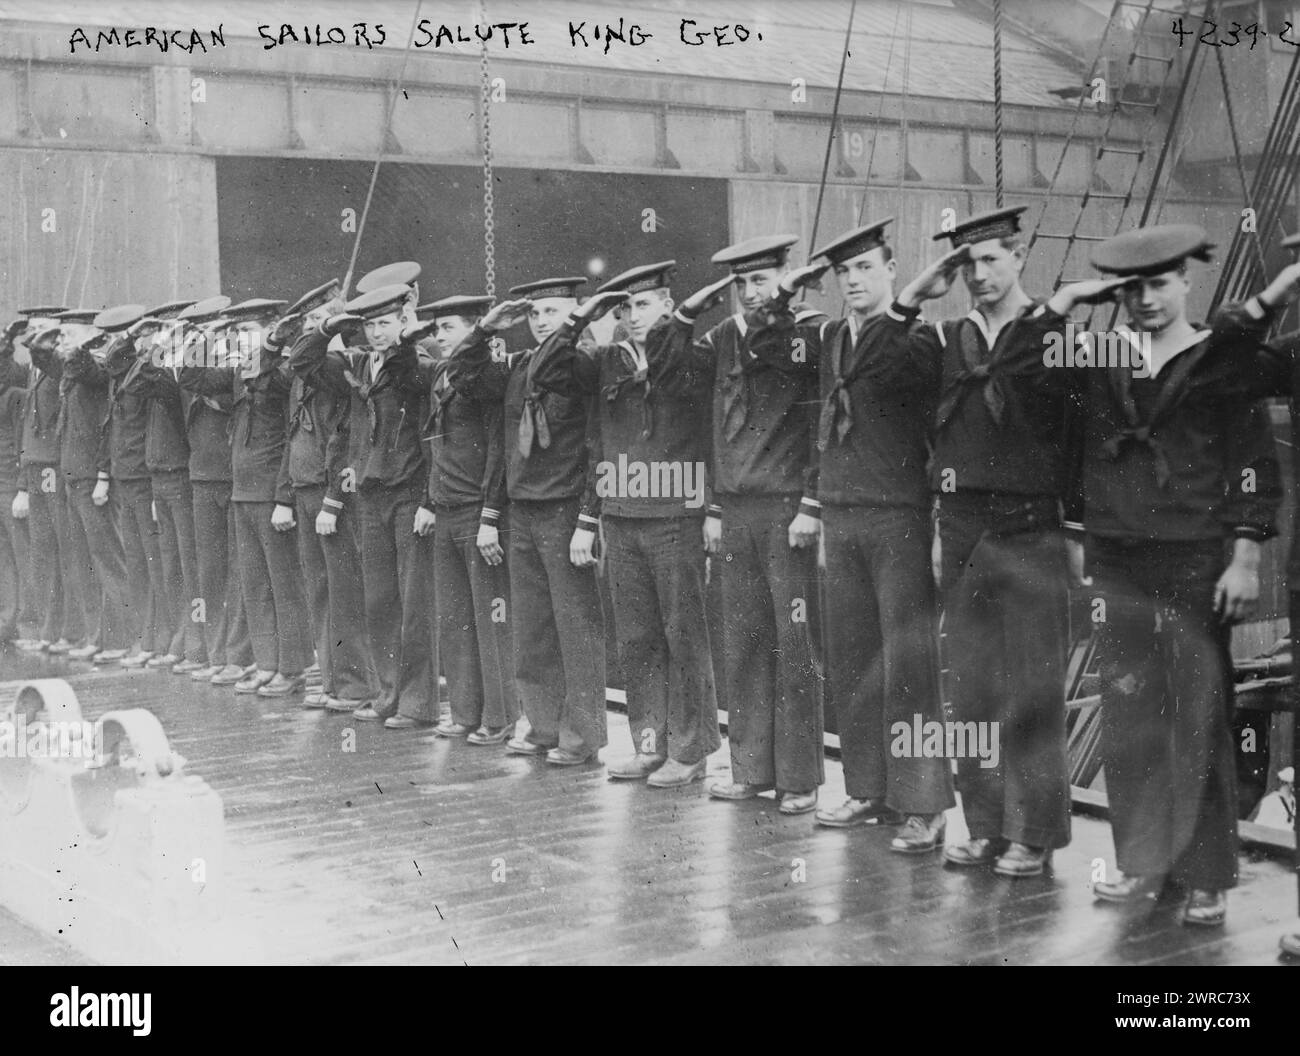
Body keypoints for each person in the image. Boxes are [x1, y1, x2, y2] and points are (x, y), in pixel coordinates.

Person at [887, 206, 1081, 876]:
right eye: (968, 265)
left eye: (992, 260)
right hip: (963, 520)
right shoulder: (944, 341)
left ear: (1019, 256)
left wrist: (1076, 529)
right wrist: (916, 291)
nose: (979, 275)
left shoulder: (1054, 334)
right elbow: (884, 360)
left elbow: (1077, 431)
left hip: (1032, 524)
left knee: (1032, 682)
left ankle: (1036, 833)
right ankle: (985, 823)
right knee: (970, 685)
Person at [792, 219, 957, 850]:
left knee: (909, 663)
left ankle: (922, 804)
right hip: (844, 514)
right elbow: (825, 425)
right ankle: (866, 788)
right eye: (844, 273)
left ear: (892, 269)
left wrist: (908, 303)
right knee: (853, 659)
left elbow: (889, 376)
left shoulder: (918, 338)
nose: (854, 281)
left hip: (899, 517)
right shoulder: (833, 335)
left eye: (866, 269)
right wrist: (816, 497)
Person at [546, 261, 720, 786]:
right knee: (639, 637)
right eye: (625, 308)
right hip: (622, 517)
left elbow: (710, 433)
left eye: (644, 304)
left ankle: (689, 751)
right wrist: (579, 319)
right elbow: (547, 371)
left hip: (675, 515)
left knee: (682, 633)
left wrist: (712, 508)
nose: (633, 316)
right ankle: (650, 744)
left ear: (669, 305)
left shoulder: (693, 357)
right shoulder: (606, 363)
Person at [448, 277, 609, 766]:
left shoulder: (584, 364)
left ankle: (581, 735)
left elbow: (595, 445)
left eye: (552, 312)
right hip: (523, 509)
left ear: (575, 312)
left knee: (576, 627)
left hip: (565, 509)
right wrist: (484, 330)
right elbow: (463, 376)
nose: (541, 321)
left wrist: (587, 518)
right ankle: (541, 724)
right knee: (533, 626)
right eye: (535, 314)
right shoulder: (517, 366)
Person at [329, 281, 439, 728]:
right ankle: (389, 693)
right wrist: (327, 326)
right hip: (372, 494)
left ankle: (417, 703)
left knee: (413, 604)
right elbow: (359, 422)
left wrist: (429, 501)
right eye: (369, 324)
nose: (376, 332)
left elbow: (421, 400)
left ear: (402, 321)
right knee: (379, 601)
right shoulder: (363, 363)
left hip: (410, 492)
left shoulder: (414, 361)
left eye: (384, 323)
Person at [416, 294, 517, 744]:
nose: (439, 335)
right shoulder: (440, 374)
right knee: (455, 618)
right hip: (446, 507)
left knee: (490, 618)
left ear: (475, 331)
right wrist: (430, 501)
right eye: (436, 329)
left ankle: (499, 716)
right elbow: (434, 446)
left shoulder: (488, 380)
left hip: (478, 511)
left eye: (448, 328)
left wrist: (491, 515)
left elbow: (497, 449)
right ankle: (464, 712)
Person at [198, 298, 310, 696]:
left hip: (270, 492)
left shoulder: (283, 371)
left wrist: (284, 497)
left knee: (283, 584)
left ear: (272, 329)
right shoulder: (241, 373)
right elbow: (192, 378)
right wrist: (200, 338)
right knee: (255, 584)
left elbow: (286, 440)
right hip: (243, 492)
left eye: (247, 333)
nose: (239, 341)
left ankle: (292, 666)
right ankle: (267, 662)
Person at [277, 280, 377, 712]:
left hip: (332, 491)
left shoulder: (339, 368)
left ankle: (356, 683)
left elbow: (348, 436)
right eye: (309, 323)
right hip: (305, 487)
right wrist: (287, 492)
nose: (312, 330)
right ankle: (335, 680)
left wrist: (335, 498)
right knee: (320, 591)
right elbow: (293, 435)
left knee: (345, 593)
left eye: (321, 321)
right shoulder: (308, 372)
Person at [101, 302, 186, 669]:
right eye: (147, 333)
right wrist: (132, 335)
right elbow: (115, 364)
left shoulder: (162, 374)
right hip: (128, 479)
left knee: (160, 566)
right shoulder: (132, 369)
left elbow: (144, 379)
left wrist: (155, 345)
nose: (149, 341)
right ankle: (147, 640)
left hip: (148, 479)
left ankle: (167, 640)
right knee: (138, 565)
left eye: (157, 332)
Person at [13, 306, 86, 656]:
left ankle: (68, 631)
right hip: (37, 465)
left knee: (60, 548)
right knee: (44, 552)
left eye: (40, 328)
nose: (32, 334)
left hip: (51, 466)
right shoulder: (33, 370)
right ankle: (49, 628)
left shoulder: (58, 365)